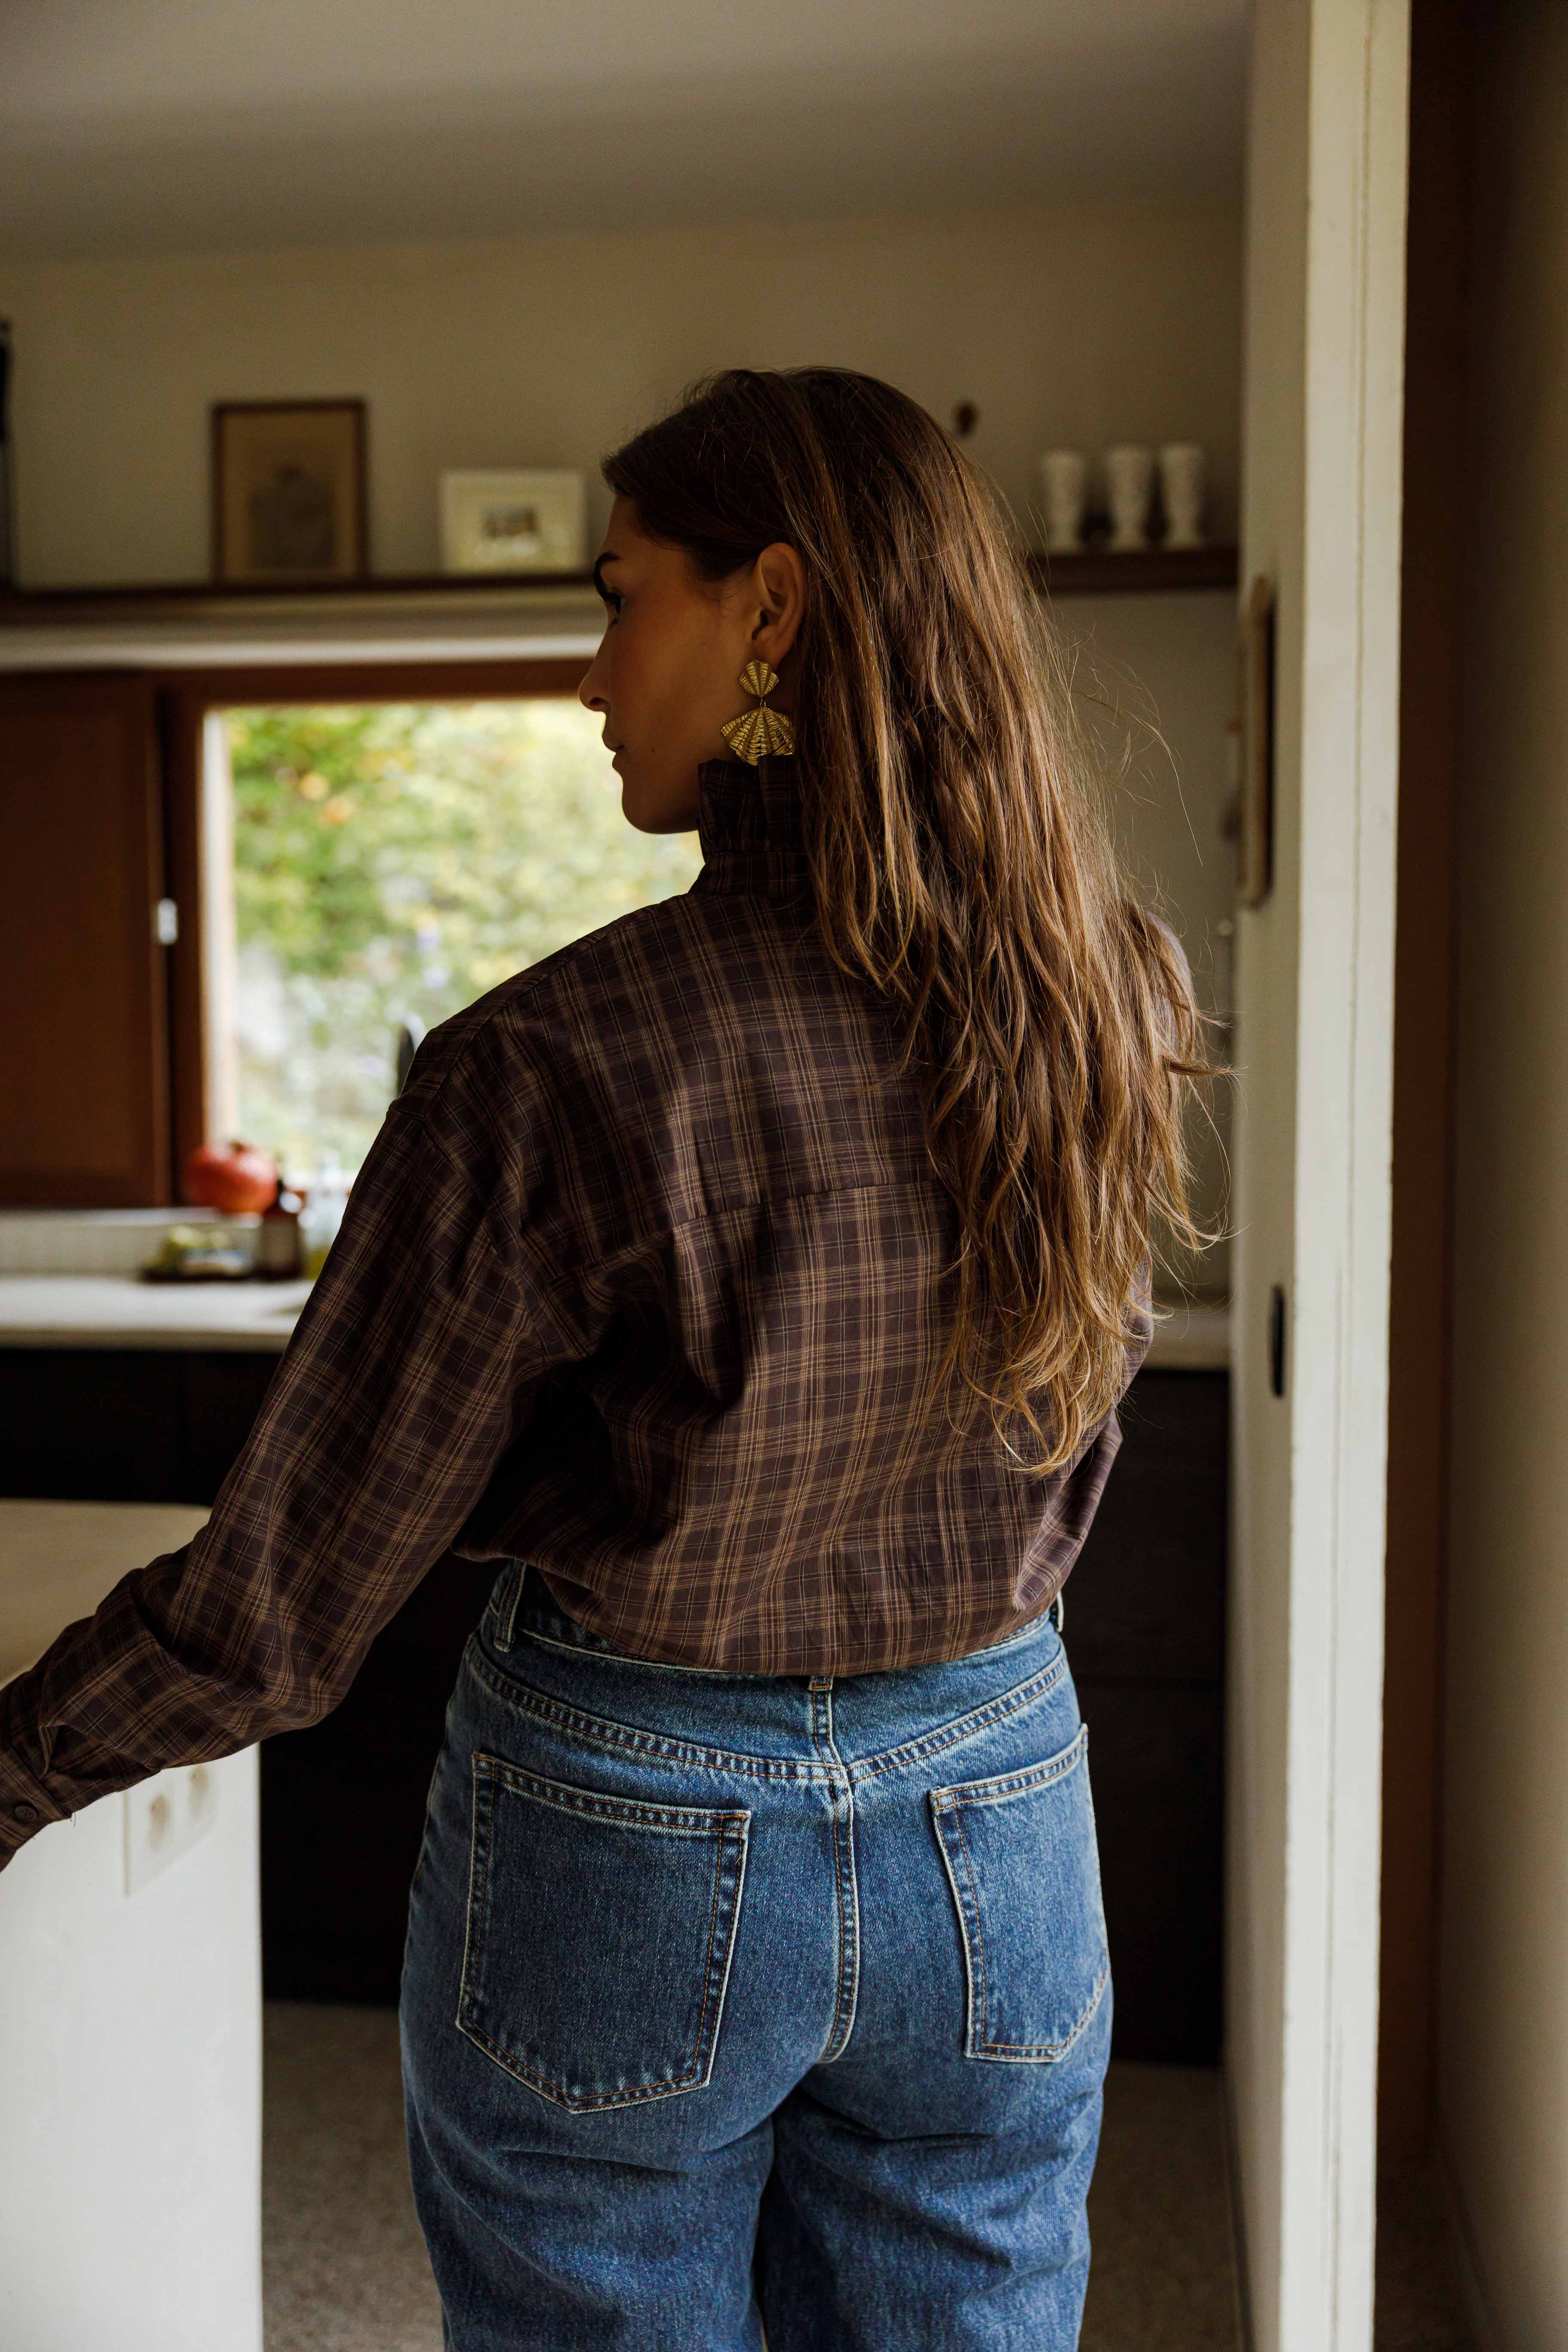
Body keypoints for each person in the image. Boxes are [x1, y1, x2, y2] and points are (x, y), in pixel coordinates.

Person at [0, 367, 1210, 2349]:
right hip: (997, 1798)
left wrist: (12, 1764)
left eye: (615, 593)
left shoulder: (549, 1063)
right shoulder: (1110, 986)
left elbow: (279, 1605)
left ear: (774, 612)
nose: (585, 672)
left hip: (635, 1826)